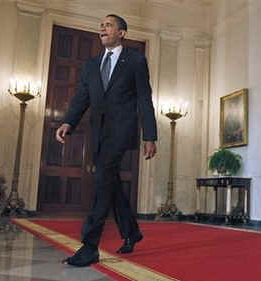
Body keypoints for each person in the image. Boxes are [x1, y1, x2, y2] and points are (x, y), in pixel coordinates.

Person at [56, 14, 157, 267]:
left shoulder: (134, 59)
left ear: (122, 33)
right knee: (109, 182)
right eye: (101, 25)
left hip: (121, 131)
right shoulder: (91, 64)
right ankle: (131, 232)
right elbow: (82, 97)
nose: (102, 27)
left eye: (109, 24)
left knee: (102, 182)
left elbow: (145, 98)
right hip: (98, 132)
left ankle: (90, 246)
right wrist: (68, 121)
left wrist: (150, 136)